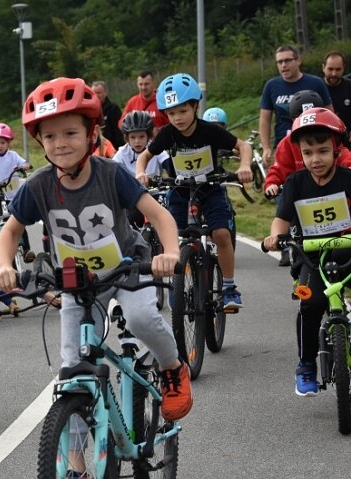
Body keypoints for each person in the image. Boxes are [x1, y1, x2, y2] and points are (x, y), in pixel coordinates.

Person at [0, 77, 193, 428]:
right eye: (50, 136)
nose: (60, 144)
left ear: (91, 134)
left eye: (70, 133)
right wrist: (4, 264)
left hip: (129, 267)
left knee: (141, 319)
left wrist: (171, 252)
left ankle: (172, 367)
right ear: (40, 141)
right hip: (79, 283)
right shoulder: (38, 185)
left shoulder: (112, 174)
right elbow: (10, 231)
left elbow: (159, 215)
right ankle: (75, 471)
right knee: (70, 373)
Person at [135, 73, 253, 311]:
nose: (177, 118)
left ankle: (229, 287)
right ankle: (178, 280)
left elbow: (243, 146)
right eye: (171, 113)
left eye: (182, 111)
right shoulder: (167, 134)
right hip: (180, 190)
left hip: (210, 189)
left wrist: (244, 166)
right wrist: (140, 173)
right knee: (173, 236)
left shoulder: (209, 130)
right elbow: (145, 156)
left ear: (195, 107)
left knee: (220, 234)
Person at [262, 108, 351, 396]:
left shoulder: (349, 179)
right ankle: (306, 365)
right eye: (308, 152)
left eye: (323, 151)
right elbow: (281, 219)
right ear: (300, 152)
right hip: (311, 256)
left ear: (337, 149)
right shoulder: (295, 183)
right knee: (310, 304)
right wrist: (275, 236)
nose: (316, 159)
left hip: (348, 250)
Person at [264, 90, 351, 198]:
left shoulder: (329, 137)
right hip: (299, 194)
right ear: (293, 120)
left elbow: (344, 156)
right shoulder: (287, 143)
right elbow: (279, 168)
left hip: (331, 190)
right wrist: (272, 183)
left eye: (322, 150)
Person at [258, 45, 332, 166]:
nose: (283, 65)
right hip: (283, 145)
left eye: (287, 60)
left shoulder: (316, 83)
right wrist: (266, 148)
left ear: (298, 61)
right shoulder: (271, 86)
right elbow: (265, 119)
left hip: (314, 143)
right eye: (279, 62)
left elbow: (329, 114)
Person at [113, 111, 168, 177]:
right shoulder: (122, 153)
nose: (137, 141)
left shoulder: (156, 148)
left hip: (154, 186)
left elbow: (166, 161)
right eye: (133, 137)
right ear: (127, 138)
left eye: (141, 137)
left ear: (149, 136)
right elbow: (111, 171)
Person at [322, 51, 351, 133]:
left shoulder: (350, 86)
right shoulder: (317, 88)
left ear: (344, 69)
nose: (334, 74)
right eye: (330, 69)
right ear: (323, 68)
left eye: (338, 69)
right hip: (323, 139)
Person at [91, 81, 124, 148]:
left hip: (112, 148)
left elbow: (118, 131)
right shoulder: (89, 110)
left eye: (99, 93)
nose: (96, 95)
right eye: (94, 93)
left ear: (105, 93)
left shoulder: (113, 109)